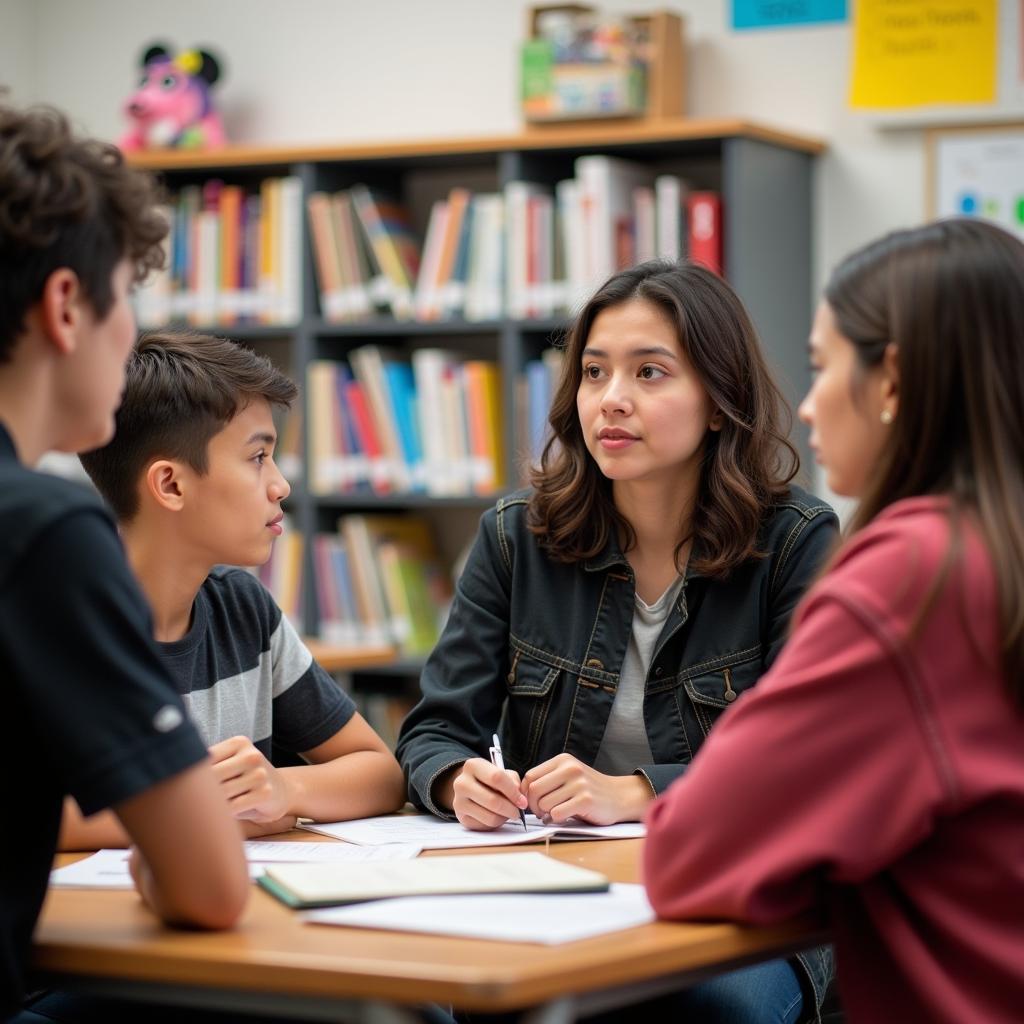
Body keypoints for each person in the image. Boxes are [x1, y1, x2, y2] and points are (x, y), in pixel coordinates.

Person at [397, 259, 838, 1021]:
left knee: (713, 1009)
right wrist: (452, 780)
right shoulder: (516, 536)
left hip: (744, 894)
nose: (612, 400)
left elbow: (806, 763)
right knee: (441, 999)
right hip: (562, 891)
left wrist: (636, 795)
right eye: (594, 372)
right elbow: (435, 728)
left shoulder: (795, 541)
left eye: (651, 373)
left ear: (717, 401)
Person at [643, 219, 1024, 1023]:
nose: (808, 408)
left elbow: (690, 854)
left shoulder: (910, 578)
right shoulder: (997, 552)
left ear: (892, 381)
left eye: (822, 368)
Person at [0, 104, 248, 1023]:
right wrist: (164, 847)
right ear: (68, 305)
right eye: (125, 295)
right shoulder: (47, 529)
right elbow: (210, 889)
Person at [59, 329, 406, 852]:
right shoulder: (61, 626)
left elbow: (380, 774)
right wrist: (201, 815)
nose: (281, 484)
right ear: (171, 485)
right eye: (258, 458)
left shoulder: (244, 611)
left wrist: (282, 787)